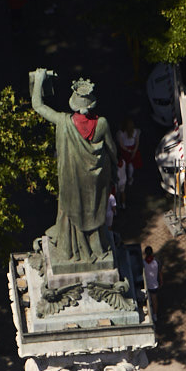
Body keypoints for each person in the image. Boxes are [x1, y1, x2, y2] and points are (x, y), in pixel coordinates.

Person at [29, 69, 118, 263]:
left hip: (72, 181)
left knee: (72, 211)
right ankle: (95, 246)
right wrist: (115, 171)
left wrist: (39, 80)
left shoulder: (63, 121)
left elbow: (38, 105)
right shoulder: (101, 124)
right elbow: (112, 150)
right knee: (93, 211)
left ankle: (74, 249)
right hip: (95, 182)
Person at [116, 117, 141, 209]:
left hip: (125, 150)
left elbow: (121, 144)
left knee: (127, 164)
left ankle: (119, 204)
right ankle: (130, 178)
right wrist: (133, 151)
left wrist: (127, 150)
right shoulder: (135, 132)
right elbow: (137, 142)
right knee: (131, 165)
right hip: (132, 148)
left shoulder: (121, 133)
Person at [143, 246, 162, 323]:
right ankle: (155, 315)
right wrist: (161, 281)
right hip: (154, 284)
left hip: (146, 284)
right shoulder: (156, 262)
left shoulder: (143, 262)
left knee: (147, 300)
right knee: (154, 300)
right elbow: (160, 273)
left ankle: (148, 313)